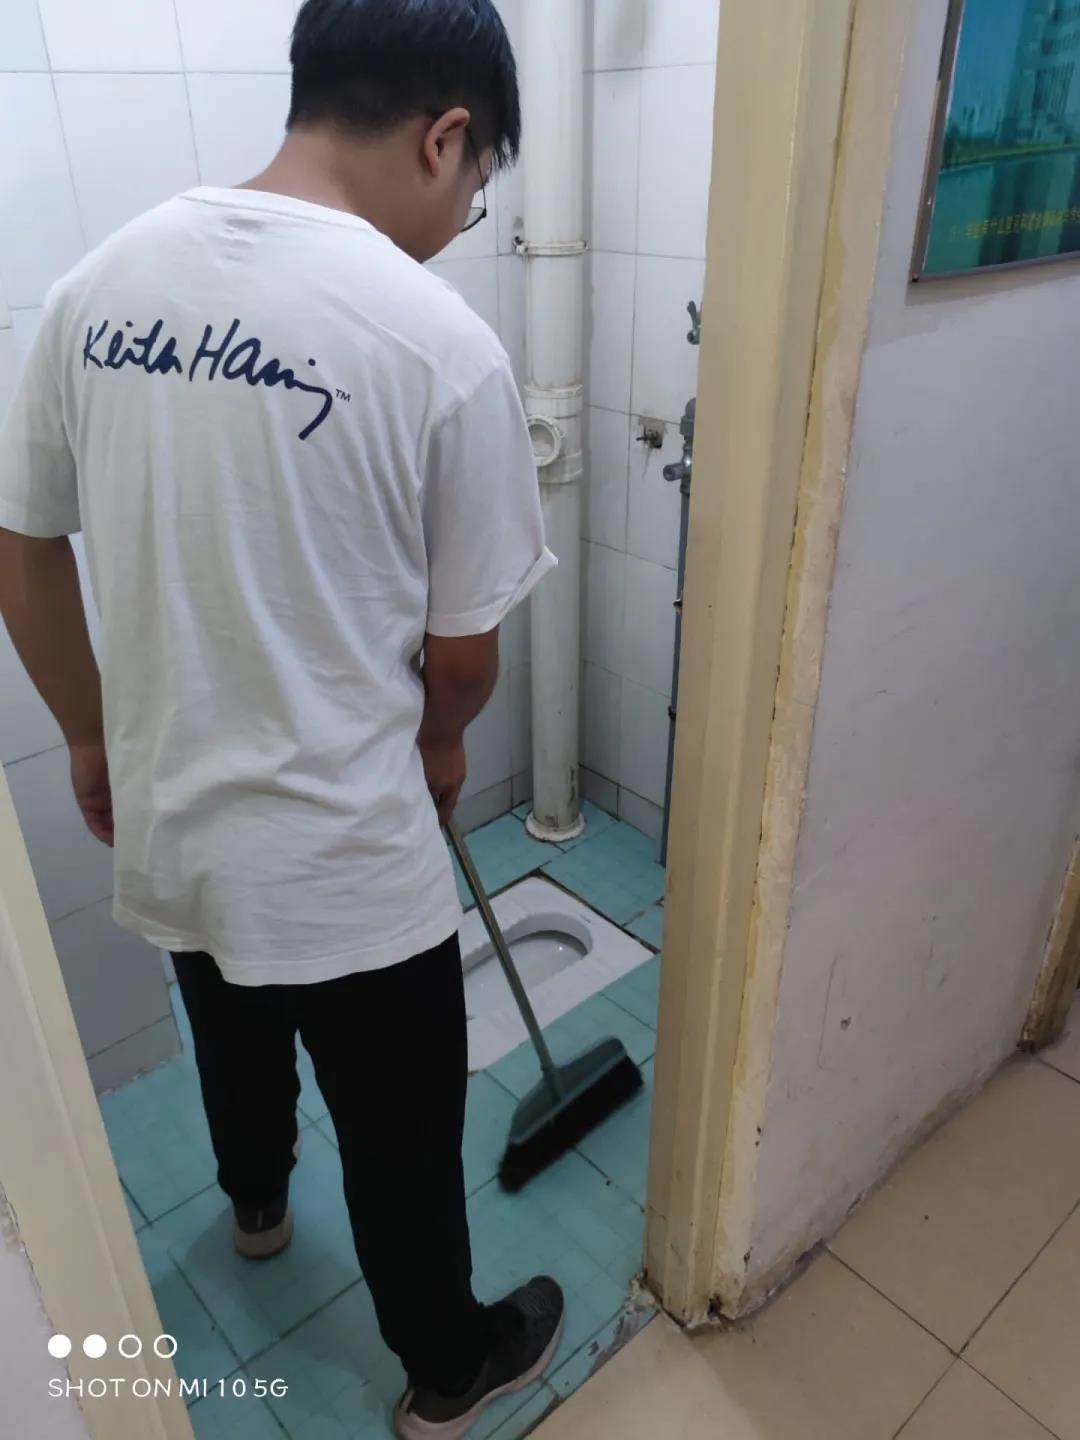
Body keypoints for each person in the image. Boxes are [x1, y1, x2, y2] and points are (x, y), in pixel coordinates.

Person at [0, 0, 565, 1434]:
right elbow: (465, 654)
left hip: (177, 821)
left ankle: (256, 1208)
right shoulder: (439, 345)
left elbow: (25, 545)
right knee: (400, 1133)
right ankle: (450, 1368)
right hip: (346, 862)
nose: (463, 220)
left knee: (233, 1038)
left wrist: (88, 732)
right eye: (478, 187)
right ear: (445, 137)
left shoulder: (92, 291)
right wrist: (442, 744)